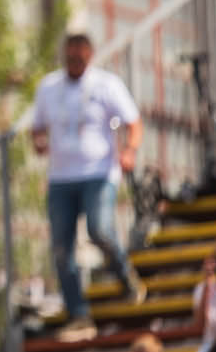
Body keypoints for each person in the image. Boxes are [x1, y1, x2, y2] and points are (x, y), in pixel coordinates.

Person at [32, 31, 147, 342]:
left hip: (98, 172)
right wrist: (39, 141)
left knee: (100, 229)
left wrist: (129, 150)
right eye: (70, 57)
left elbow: (133, 122)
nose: (75, 63)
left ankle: (126, 276)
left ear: (90, 56)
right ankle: (79, 314)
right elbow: (37, 127)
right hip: (61, 178)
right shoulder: (49, 86)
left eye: (80, 58)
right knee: (61, 248)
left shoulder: (105, 84)